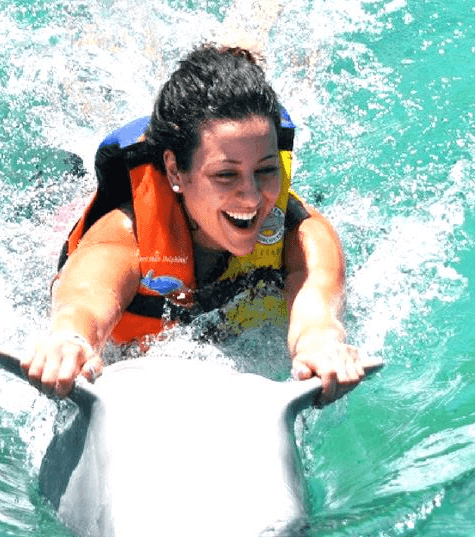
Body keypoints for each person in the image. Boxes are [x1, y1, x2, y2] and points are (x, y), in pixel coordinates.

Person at [22, 44, 365, 404]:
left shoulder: (305, 235)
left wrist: (321, 344)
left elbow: (318, 314)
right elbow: (85, 302)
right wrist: (70, 341)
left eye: (265, 170)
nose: (250, 197)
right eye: (225, 175)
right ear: (174, 171)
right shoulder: (125, 237)